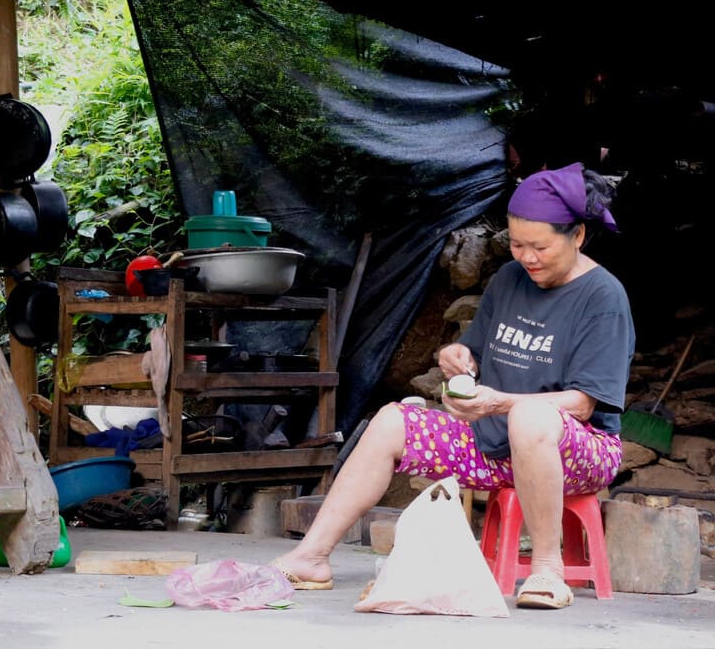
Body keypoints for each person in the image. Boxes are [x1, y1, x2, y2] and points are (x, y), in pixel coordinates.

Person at [272, 162, 634, 610]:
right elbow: (475, 354)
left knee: (531, 415)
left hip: (580, 452)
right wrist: (457, 359)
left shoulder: (603, 297)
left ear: (577, 236)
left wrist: (500, 403)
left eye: (540, 246)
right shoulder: (508, 280)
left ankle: (547, 571)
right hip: (495, 445)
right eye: (518, 244)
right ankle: (311, 557)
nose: (527, 257)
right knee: (391, 422)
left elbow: (581, 404)